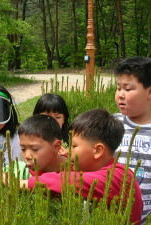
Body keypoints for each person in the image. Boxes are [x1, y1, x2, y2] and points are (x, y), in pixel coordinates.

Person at [11, 109, 142, 224]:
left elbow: (67, 181)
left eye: (74, 146)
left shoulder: (120, 176)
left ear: (97, 151)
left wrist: (24, 183)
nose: (68, 152)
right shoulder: (95, 171)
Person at [114, 56, 151, 223]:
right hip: (110, 211)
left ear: (149, 92)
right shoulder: (110, 124)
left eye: (128, 89)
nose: (120, 95)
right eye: (118, 88)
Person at [16, 114, 67, 178]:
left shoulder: (78, 169)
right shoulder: (25, 174)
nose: (27, 156)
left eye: (35, 149)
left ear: (56, 146)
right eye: (23, 149)